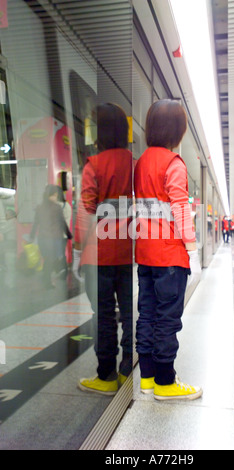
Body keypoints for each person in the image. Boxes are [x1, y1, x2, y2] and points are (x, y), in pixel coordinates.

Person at [134, 99, 203, 401]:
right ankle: (166, 383)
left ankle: (147, 378)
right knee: (167, 319)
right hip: (170, 257)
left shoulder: (141, 163)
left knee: (147, 313)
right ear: (177, 130)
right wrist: (194, 251)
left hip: (145, 255)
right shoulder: (174, 164)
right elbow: (180, 210)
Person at [74, 103, 132, 396]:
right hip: (127, 252)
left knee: (104, 315)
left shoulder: (93, 165)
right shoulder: (133, 162)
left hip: (97, 254)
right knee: (131, 314)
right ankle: (129, 369)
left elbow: (86, 211)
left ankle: (106, 376)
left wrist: (75, 250)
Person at [30, 184, 72, 288]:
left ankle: (46, 280)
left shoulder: (40, 207)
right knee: (50, 260)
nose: (56, 197)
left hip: (42, 239)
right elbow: (62, 222)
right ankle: (47, 282)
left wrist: (31, 236)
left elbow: (36, 223)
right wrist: (69, 235)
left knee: (47, 259)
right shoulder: (57, 208)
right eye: (55, 195)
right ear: (53, 195)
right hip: (53, 239)